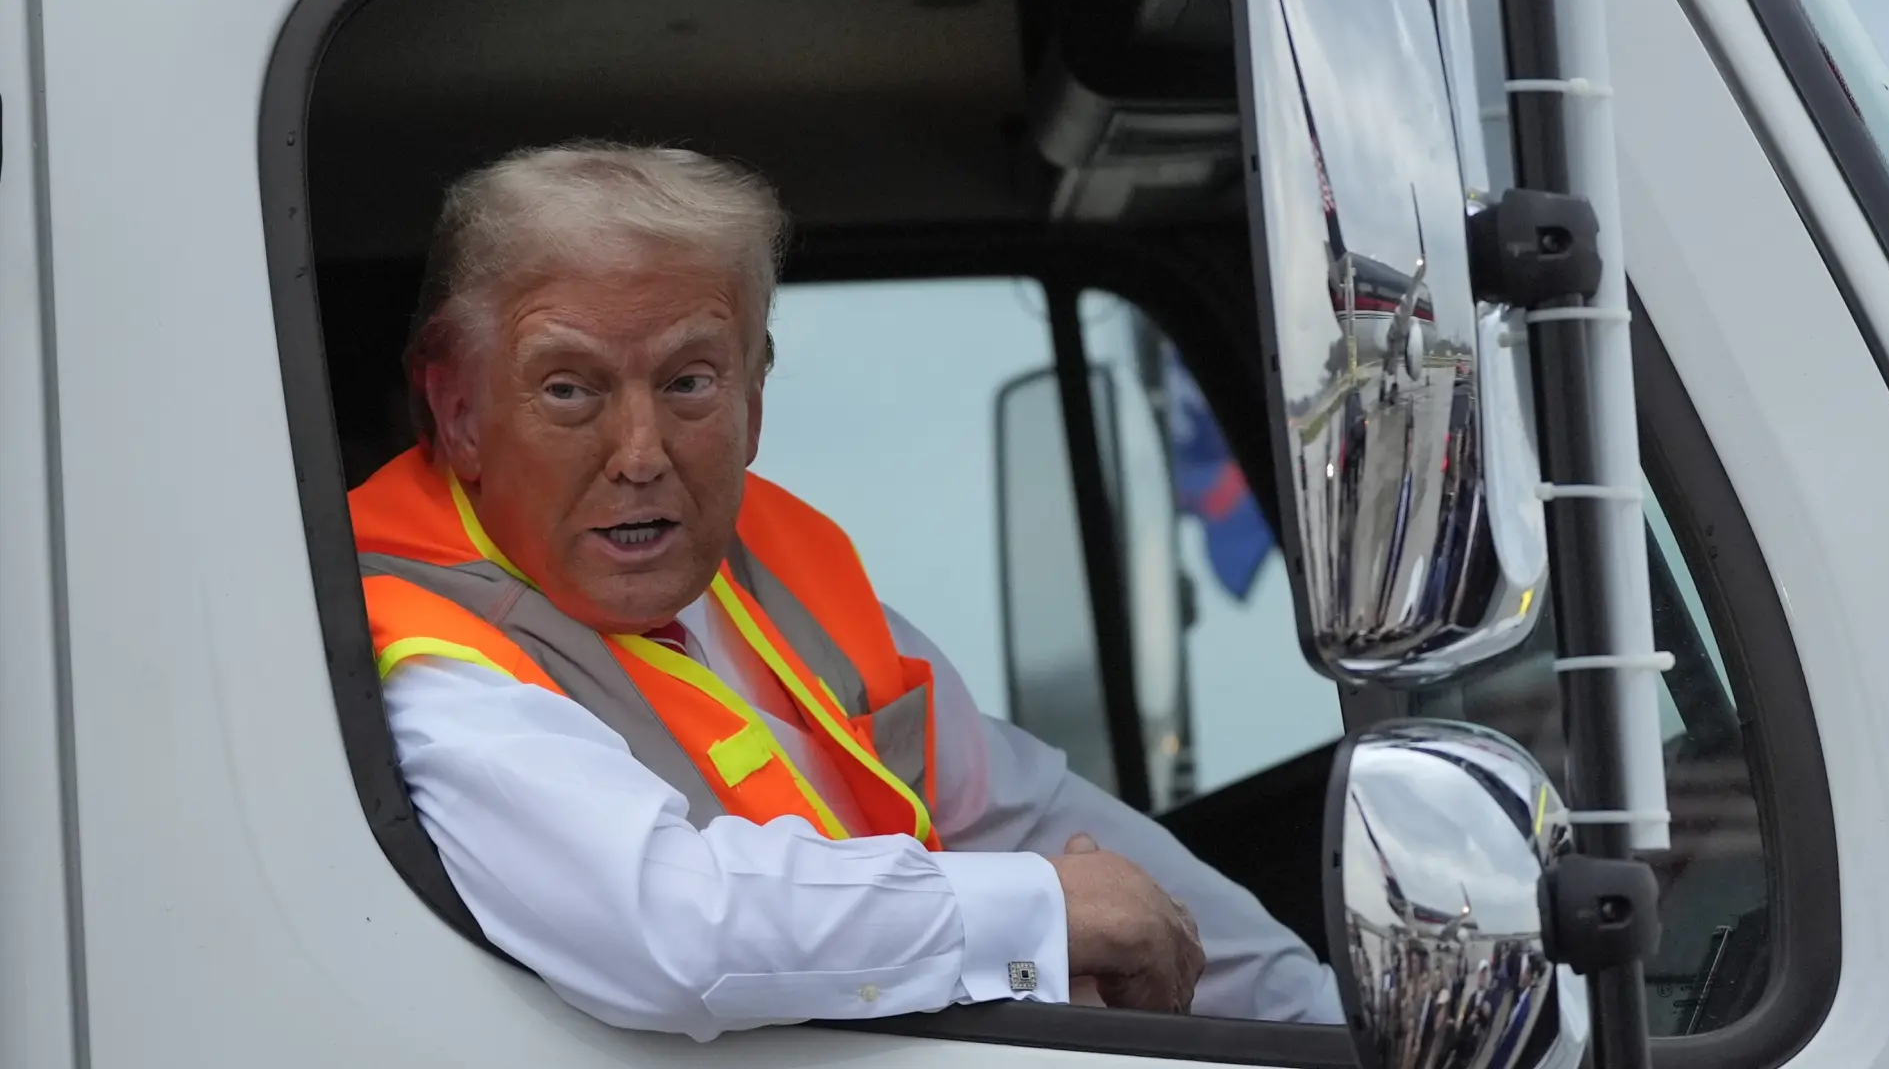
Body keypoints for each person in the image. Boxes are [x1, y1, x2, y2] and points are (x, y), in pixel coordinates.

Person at [349, 141, 1343, 1042]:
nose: (640, 454)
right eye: (570, 389)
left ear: (755, 398)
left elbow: (1027, 813)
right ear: (460, 413)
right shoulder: (420, 651)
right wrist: (1037, 912)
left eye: (691, 381)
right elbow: (672, 932)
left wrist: (1321, 1026)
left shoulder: (778, 577)